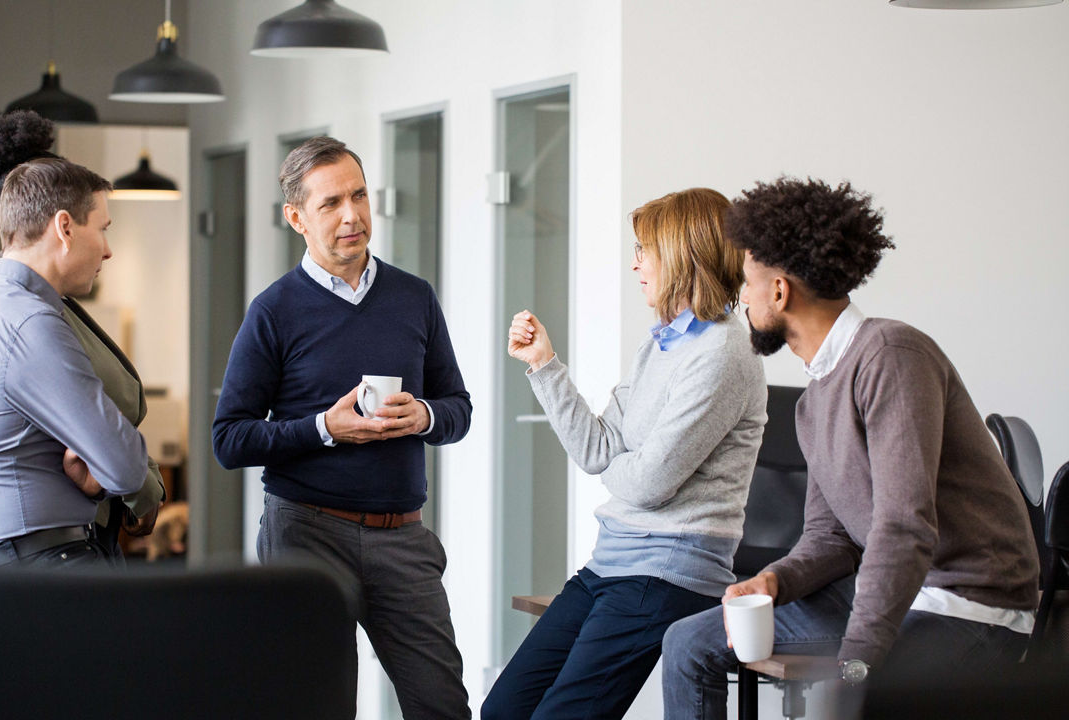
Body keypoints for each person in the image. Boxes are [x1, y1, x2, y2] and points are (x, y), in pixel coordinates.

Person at [661, 177, 1039, 719]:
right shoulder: (815, 401)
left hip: (967, 607)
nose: (741, 297)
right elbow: (831, 536)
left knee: (849, 699)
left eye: (746, 282)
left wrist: (856, 666)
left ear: (779, 291)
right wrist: (775, 580)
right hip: (890, 596)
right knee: (688, 643)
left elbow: (904, 526)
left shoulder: (891, 354)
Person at [212, 136, 472, 719]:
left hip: (403, 538)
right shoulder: (274, 310)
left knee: (442, 706)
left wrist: (424, 415)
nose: (352, 215)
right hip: (306, 536)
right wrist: (323, 429)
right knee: (318, 707)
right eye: (331, 203)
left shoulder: (414, 298)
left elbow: (458, 407)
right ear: (296, 217)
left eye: (359, 195)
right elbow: (230, 439)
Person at [482, 188, 767, 720]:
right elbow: (598, 452)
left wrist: (626, 464)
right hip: (612, 561)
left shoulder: (725, 351)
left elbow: (650, 484)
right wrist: (544, 365)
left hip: (669, 571)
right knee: (502, 711)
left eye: (645, 249)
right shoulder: (662, 341)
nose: (635, 263)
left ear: (682, 255)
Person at [0, 111, 165, 561]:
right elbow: (116, 455)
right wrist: (136, 482)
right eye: (102, 228)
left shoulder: (23, 302)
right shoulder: (22, 317)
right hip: (44, 548)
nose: (108, 249)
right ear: (61, 224)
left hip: (59, 537)